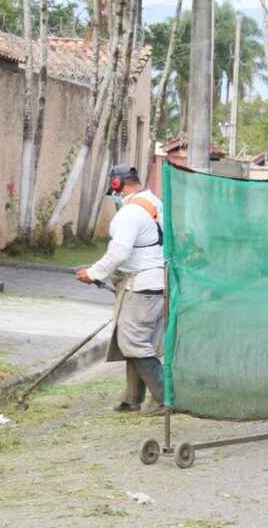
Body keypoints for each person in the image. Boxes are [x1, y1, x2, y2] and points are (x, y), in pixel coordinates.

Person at [76, 165, 165, 416]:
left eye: (113, 191)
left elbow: (119, 252)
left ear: (117, 184)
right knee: (135, 341)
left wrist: (93, 273)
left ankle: (165, 398)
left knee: (134, 342)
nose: (114, 197)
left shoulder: (130, 213)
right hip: (152, 283)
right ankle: (132, 398)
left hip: (142, 286)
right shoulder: (155, 204)